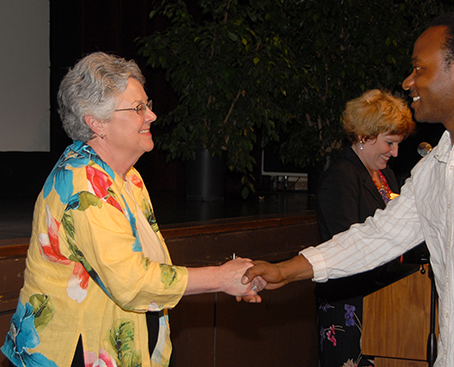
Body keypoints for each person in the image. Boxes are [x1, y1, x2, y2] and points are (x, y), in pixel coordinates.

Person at [241, 11, 454, 367]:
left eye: (419, 69)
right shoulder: (434, 168)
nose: (408, 82)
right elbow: (376, 237)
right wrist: (285, 271)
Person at [1, 52, 262, 367]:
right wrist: (220, 278)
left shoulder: (129, 177)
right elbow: (132, 282)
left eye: (147, 104)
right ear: (96, 122)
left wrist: (234, 278)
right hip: (72, 352)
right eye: (139, 108)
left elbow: (150, 263)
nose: (152, 115)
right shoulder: (82, 185)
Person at [315, 89, 422, 367]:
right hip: (349, 305)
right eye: (389, 143)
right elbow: (347, 247)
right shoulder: (341, 177)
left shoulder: (384, 174)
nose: (395, 152)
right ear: (364, 135)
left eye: (398, 144)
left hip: (382, 301)